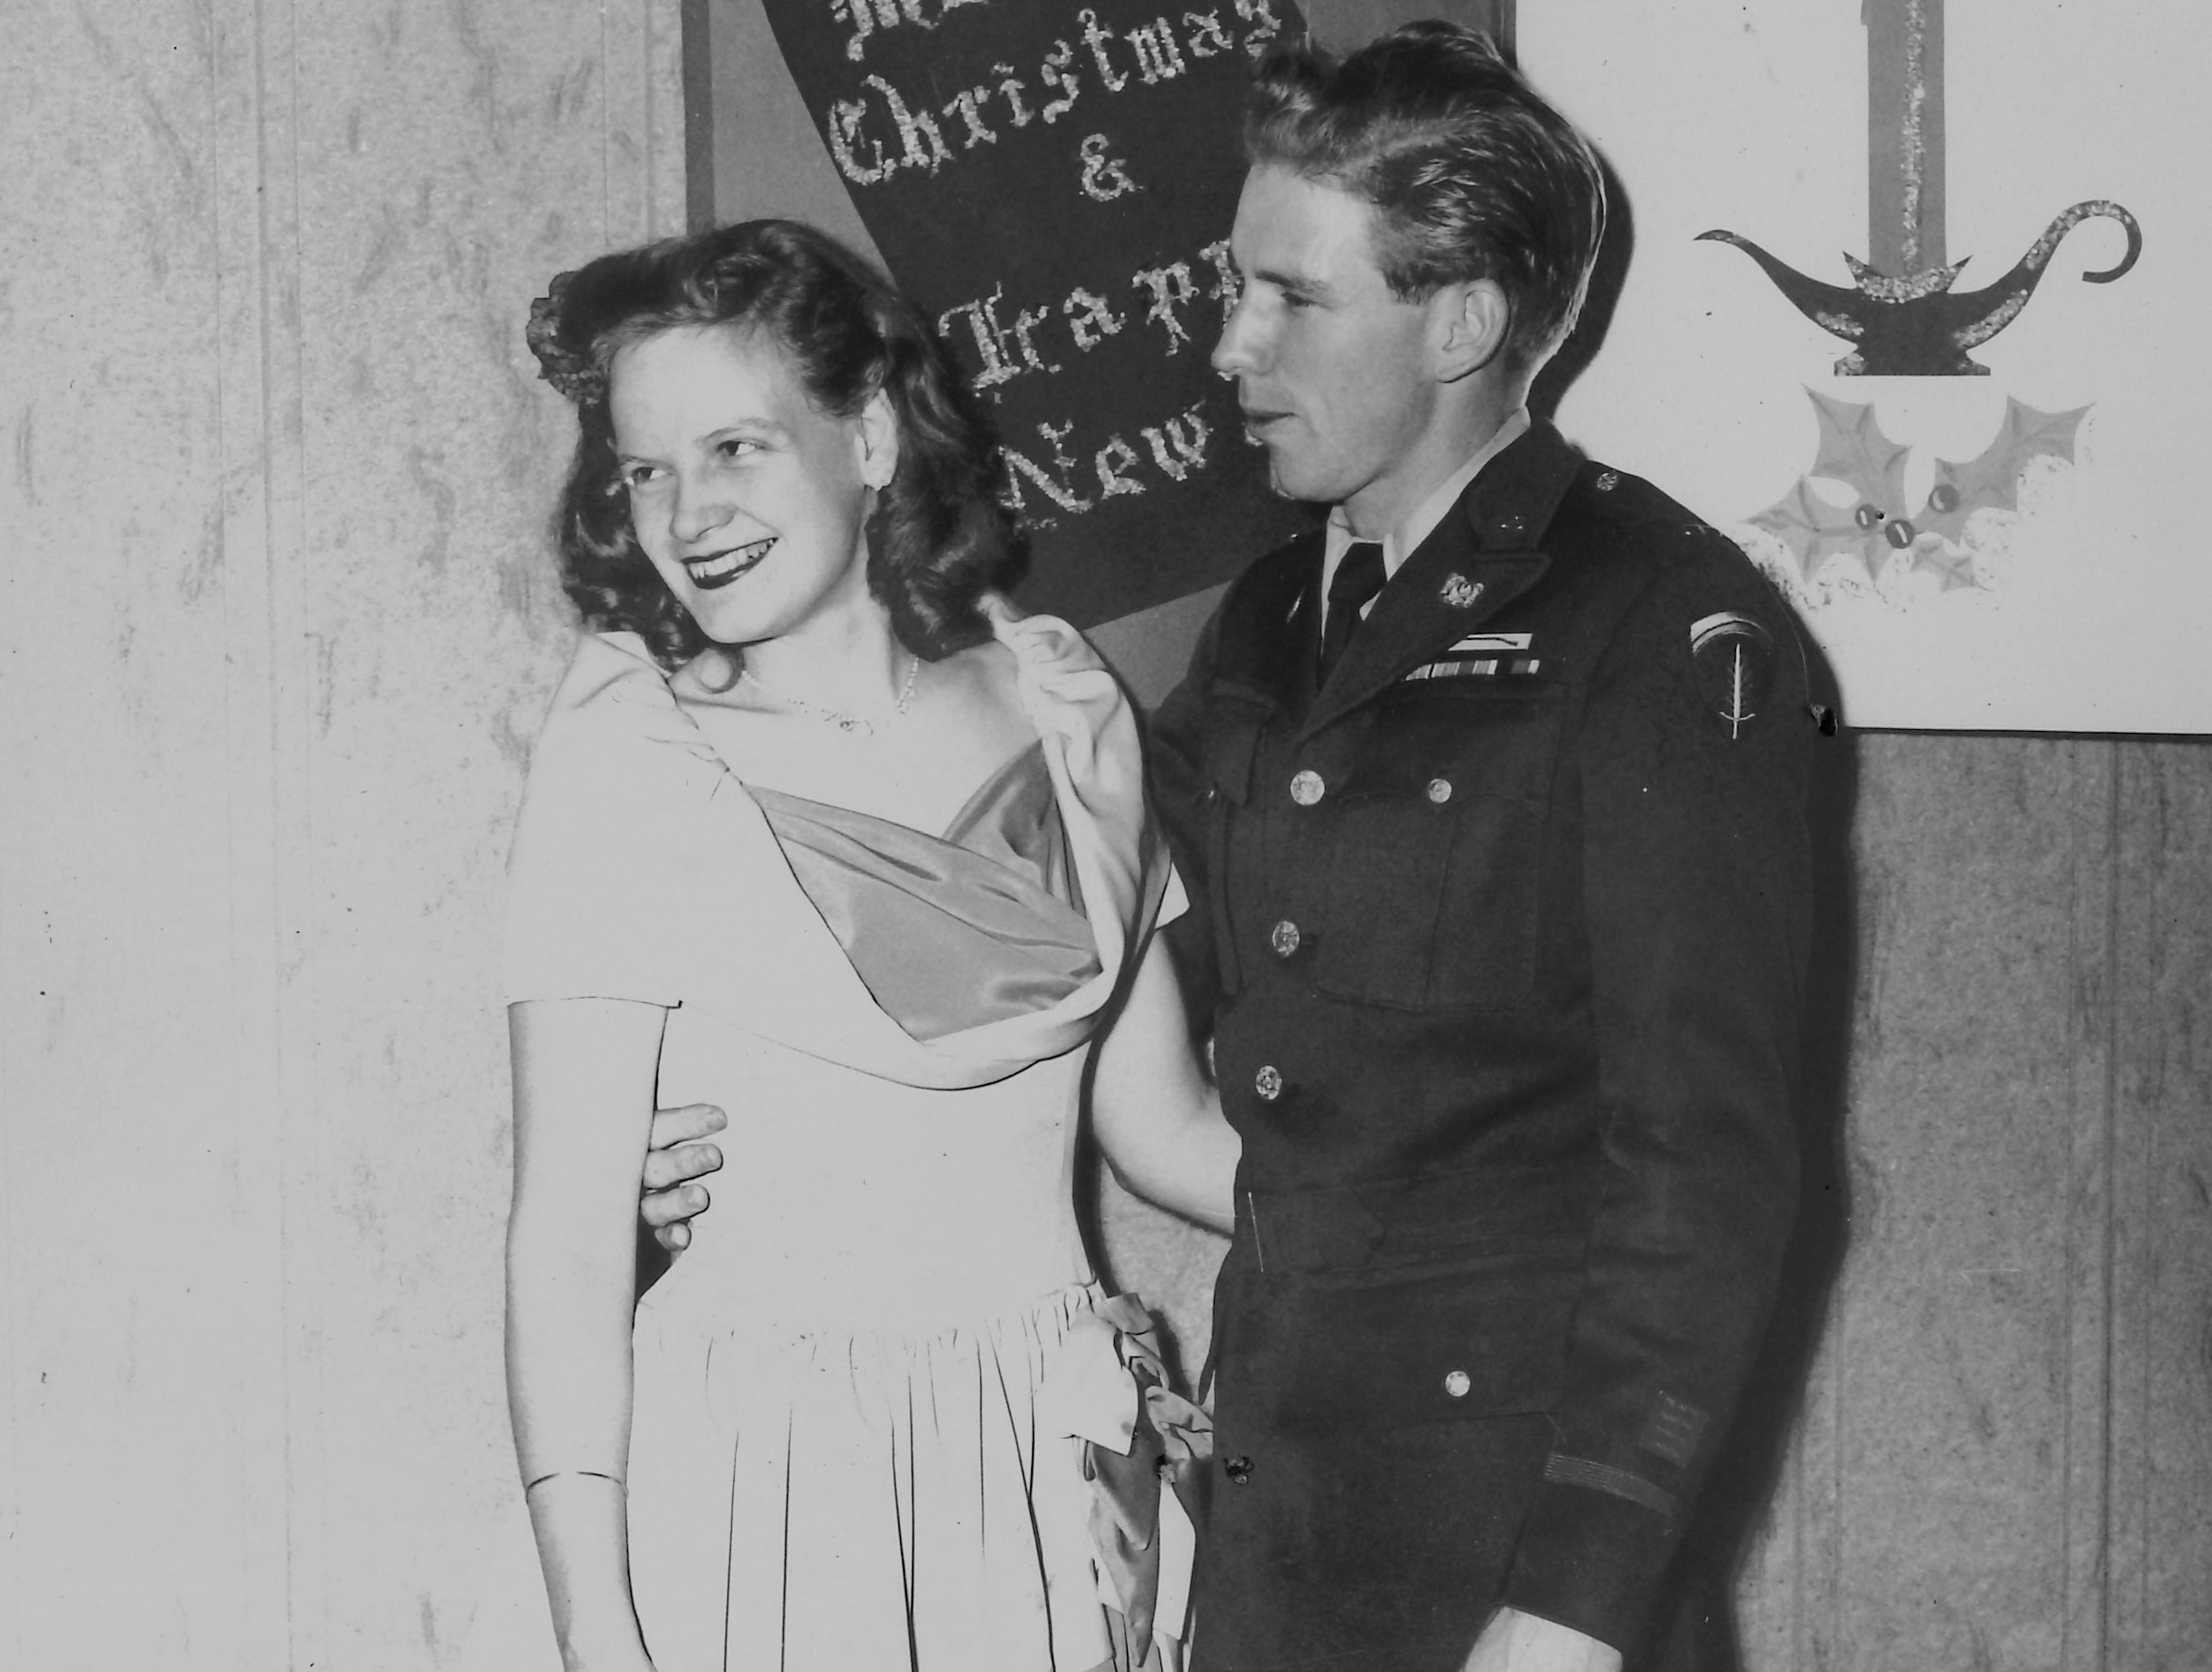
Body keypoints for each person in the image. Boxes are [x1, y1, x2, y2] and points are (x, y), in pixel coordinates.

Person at [1140, 23, 1815, 1672]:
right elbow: (1090, 947)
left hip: (1514, 1568)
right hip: (1278, 1534)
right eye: (1234, 286)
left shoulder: (1661, 625)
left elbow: (1708, 1167)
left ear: (1461, 322)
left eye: (1292, 298)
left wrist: (1580, 1598)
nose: (1230, 345)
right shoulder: (1265, 619)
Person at [484, 219, 1238, 1672]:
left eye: (737, 448)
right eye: (646, 470)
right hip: (760, 1475)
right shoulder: (631, 755)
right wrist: (594, 1623)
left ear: (874, 437)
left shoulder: (1060, 708)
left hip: (1038, 1457)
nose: (688, 512)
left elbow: (1170, 1133)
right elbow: (568, 1238)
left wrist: (1480, 1187)